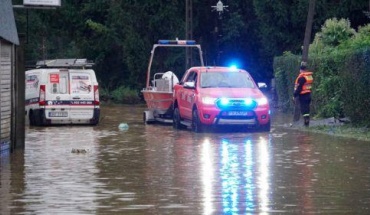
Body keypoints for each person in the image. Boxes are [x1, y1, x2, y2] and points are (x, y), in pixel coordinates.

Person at [293, 62, 313, 126]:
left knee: (303, 109)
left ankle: (306, 122)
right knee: (307, 109)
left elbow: (299, 88)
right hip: (308, 94)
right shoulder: (308, 76)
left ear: (301, 70)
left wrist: (294, 95)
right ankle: (307, 121)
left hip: (303, 95)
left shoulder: (302, 78)